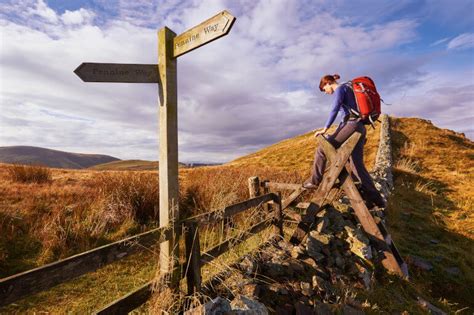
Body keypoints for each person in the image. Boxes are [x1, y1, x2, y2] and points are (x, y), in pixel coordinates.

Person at [303, 74, 385, 208]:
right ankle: (376, 199)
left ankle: (314, 180)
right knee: (357, 165)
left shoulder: (340, 89)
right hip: (360, 127)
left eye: (324, 89)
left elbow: (335, 109)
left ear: (328, 83)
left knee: (322, 150)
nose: (326, 92)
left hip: (351, 125)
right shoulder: (349, 88)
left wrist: (325, 129)